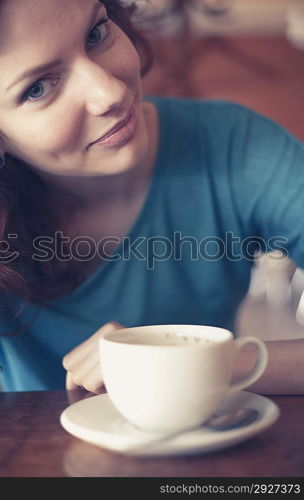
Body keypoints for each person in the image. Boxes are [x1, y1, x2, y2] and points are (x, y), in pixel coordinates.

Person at [0, 0, 304, 395]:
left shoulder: (235, 145)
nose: (110, 92)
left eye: (95, 33)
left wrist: (190, 362)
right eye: (38, 88)